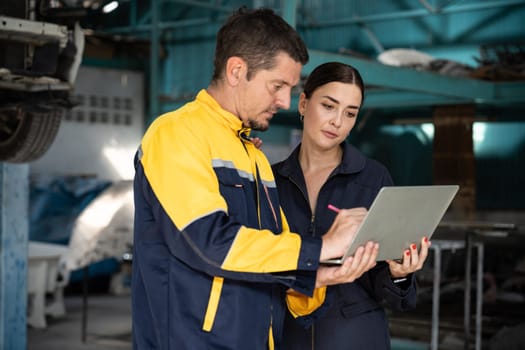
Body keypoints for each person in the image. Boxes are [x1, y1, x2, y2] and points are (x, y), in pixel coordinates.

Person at [132, 9, 380, 350]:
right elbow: (209, 243)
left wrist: (323, 276)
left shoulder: (256, 158)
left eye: (290, 88)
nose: (284, 101)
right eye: (277, 86)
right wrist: (324, 246)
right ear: (237, 71)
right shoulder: (176, 134)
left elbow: (266, 262)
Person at [272, 62, 431, 350]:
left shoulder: (374, 178)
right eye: (329, 106)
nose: (338, 122)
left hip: (355, 336)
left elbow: (393, 292)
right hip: (287, 335)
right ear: (304, 103)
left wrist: (400, 274)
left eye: (350, 113)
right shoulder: (270, 181)